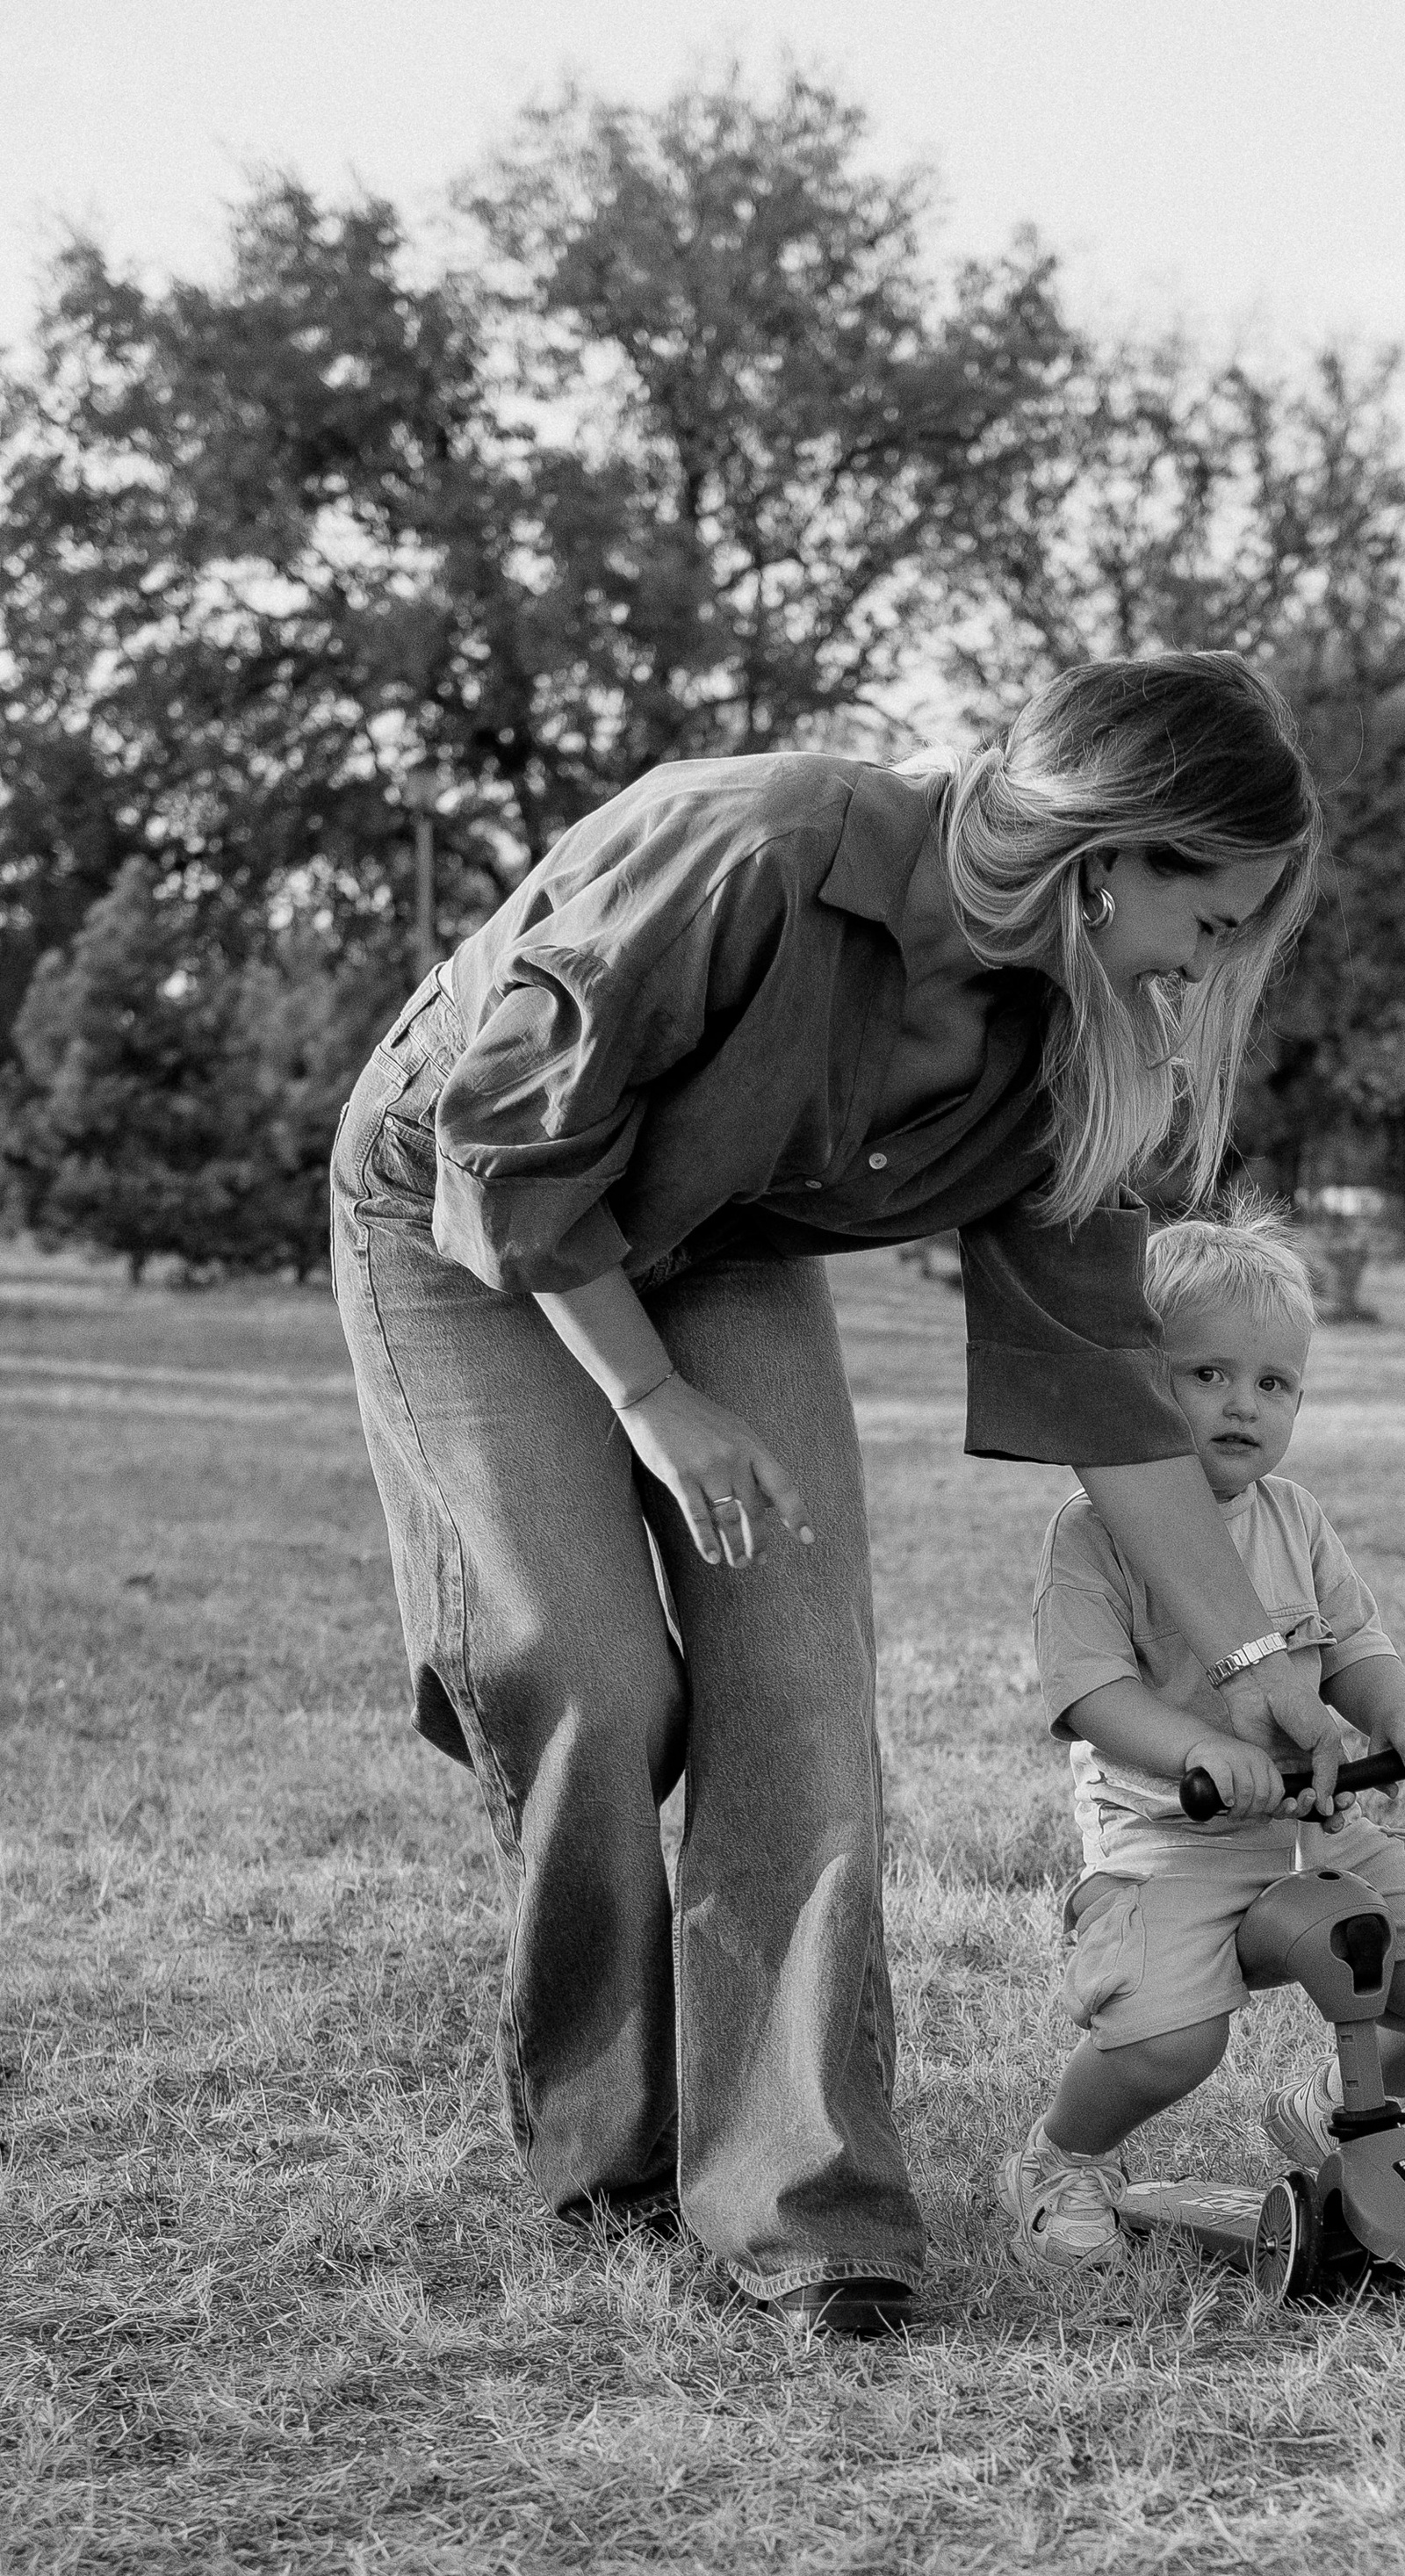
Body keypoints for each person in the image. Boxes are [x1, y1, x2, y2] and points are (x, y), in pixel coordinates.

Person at [330, 656, 1340, 2334]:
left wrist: (1254, 1659)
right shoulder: (747, 848)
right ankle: (610, 2148)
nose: (1209, 965)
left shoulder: (1079, 1056)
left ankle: (809, 2218)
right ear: (1110, 856)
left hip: (718, 1238)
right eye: (1212, 919)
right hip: (467, 1221)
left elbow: (1112, 1395)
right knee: (590, 1674)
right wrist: (649, 1397)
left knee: (796, 1692)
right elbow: (503, 1146)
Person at [1009, 1207, 1405, 2256]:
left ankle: (1333, 2110)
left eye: (1273, 1384)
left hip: (1312, 1829)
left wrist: (1397, 1708)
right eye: (1206, 1375)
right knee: (1164, 2044)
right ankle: (1063, 2159)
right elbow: (1090, 1693)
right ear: (1139, 1380)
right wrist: (1196, 1750)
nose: (1244, 1404)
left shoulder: (1294, 1516)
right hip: (1168, 1839)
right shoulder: (1093, 1531)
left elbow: (1352, 1646)